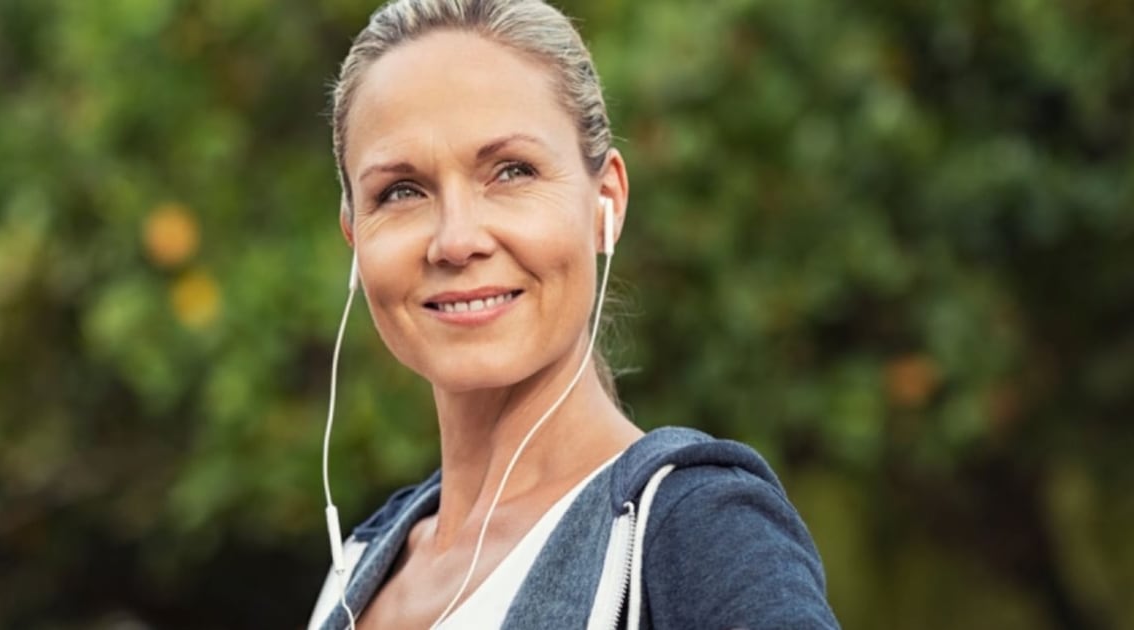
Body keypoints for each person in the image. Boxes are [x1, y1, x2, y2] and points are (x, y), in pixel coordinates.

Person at [310, 0, 840, 628]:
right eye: (401, 191)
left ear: (605, 201)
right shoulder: (363, 563)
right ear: (354, 236)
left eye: (511, 171)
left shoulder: (696, 530)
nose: (456, 240)